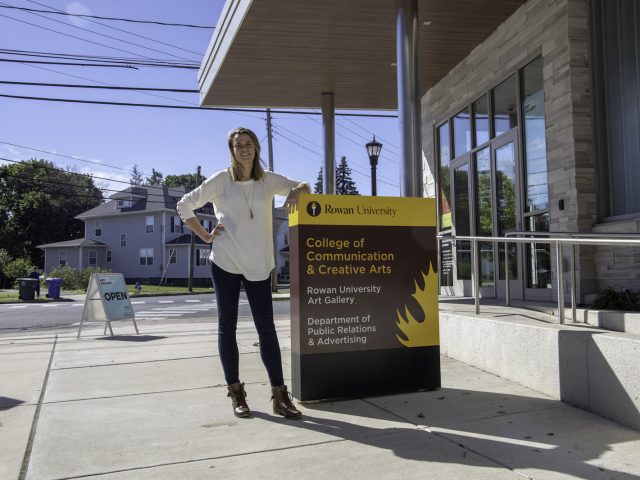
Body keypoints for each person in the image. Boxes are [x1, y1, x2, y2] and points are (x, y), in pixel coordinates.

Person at [177, 127, 310, 419]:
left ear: (256, 148)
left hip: (259, 264)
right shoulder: (221, 180)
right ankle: (237, 392)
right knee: (228, 326)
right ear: (232, 150)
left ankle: (279, 394)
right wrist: (205, 236)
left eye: (248, 144)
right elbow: (184, 204)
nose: (244, 149)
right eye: (238, 145)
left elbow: (304, 185)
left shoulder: (268, 180)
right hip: (225, 260)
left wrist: (297, 192)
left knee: (267, 330)